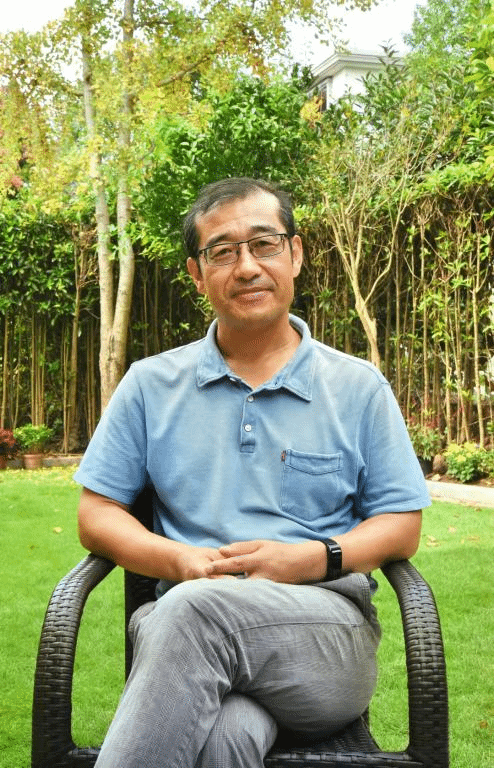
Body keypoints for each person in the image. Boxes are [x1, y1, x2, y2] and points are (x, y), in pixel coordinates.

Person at [75, 177, 430, 768]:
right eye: (223, 251)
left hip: (323, 636)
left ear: (295, 254)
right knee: (227, 735)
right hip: (189, 642)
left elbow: (401, 524)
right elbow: (96, 514)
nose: (247, 267)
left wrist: (311, 558)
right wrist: (179, 562)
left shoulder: (357, 387)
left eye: (264, 244)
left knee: (192, 611)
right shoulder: (150, 385)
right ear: (197, 274)